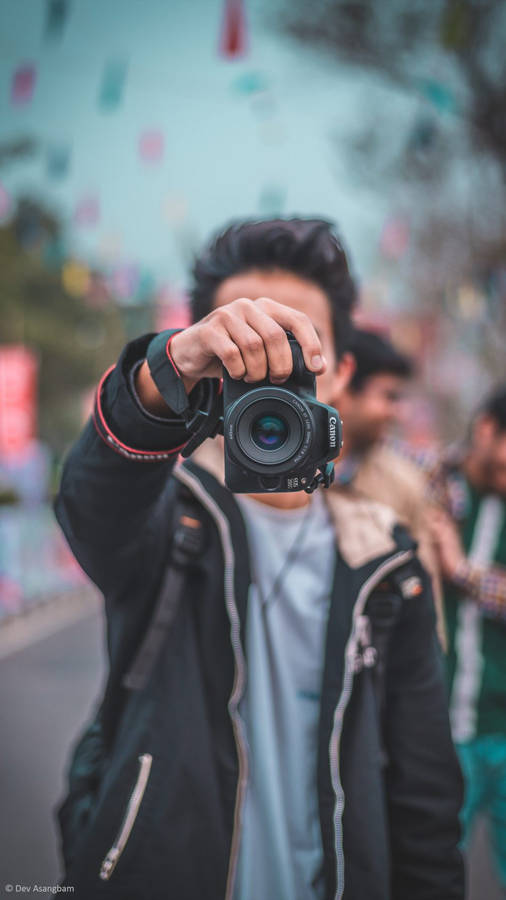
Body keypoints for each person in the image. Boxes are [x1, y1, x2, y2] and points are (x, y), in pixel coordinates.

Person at [54, 218, 464, 900]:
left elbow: (424, 793)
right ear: (204, 370)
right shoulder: (168, 516)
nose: (268, 374)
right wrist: (162, 374)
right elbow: (94, 502)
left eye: (296, 348)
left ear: (341, 375)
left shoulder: (391, 564)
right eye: (241, 349)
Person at [428, 386, 506, 892]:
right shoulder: (432, 485)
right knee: (431, 871)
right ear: (486, 431)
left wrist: (463, 570)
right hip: (440, 731)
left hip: (503, 729)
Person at [335, 328, 446, 648]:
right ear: (344, 385)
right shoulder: (286, 473)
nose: (398, 413)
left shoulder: (405, 484)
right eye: (388, 397)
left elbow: (426, 605)